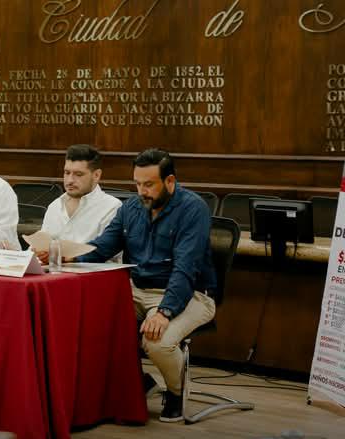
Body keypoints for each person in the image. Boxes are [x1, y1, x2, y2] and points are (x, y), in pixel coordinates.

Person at [74, 148, 216, 423]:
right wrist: (68, 256)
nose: (142, 191)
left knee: (157, 342)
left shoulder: (193, 209)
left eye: (149, 184)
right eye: (137, 184)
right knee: (88, 323)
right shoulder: (131, 207)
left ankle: (176, 392)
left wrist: (164, 312)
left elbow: (185, 269)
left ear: (170, 181)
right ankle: (138, 382)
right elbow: (103, 247)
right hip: (137, 288)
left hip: (190, 294)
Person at [34, 144, 121, 263]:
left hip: (94, 273)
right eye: (67, 173)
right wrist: (40, 253)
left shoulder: (112, 207)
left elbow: (108, 253)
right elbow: (43, 246)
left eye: (78, 174)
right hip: (54, 271)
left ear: (96, 175)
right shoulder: (55, 206)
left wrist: (68, 258)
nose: (70, 180)